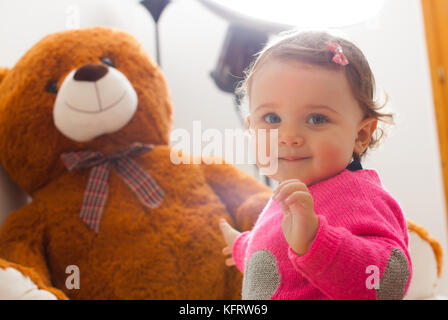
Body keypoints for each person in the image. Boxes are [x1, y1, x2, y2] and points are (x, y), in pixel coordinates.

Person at [219, 30, 412, 300]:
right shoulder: (288, 198)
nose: (289, 137)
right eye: (272, 117)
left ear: (360, 135)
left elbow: (389, 280)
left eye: (317, 119)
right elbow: (272, 259)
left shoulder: (359, 197)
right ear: (251, 128)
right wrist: (241, 247)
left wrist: (316, 243)